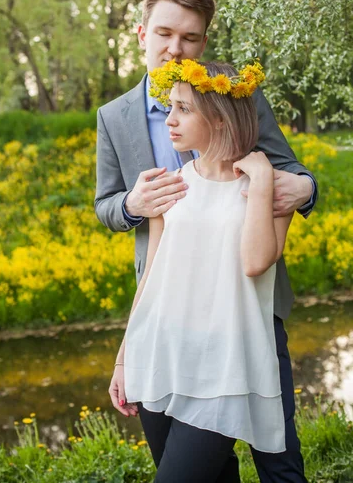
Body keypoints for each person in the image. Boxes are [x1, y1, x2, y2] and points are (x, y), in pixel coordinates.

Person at [96, 0, 317, 482]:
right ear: (141, 33)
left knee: (278, 456)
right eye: (164, 33)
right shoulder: (114, 117)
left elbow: (292, 173)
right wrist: (132, 202)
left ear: (203, 43)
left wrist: (299, 189)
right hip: (166, 318)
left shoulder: (234, 96)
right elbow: (106, 205)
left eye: (190, 38)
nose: (175, 48)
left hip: (245, 313)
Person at [109, 59, 294, 481]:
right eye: (169, 107)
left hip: (223, 367)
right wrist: (124, 359)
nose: (169, 120)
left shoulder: (268, 189)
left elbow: (254, 263)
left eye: (183, 109)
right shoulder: (169, 184)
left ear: (220, 116)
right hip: (158, 354)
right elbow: (150, 280)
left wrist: (263, 180)